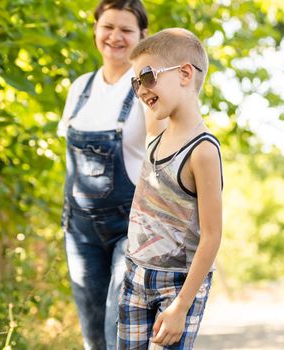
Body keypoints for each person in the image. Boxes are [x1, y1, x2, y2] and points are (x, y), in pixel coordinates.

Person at [118, 28, 223, 349]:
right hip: (135, 274)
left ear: (185, 73)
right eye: (135, 82)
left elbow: (212, 235)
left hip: (177, 285)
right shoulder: (157, 133)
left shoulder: (203, 150)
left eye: (147, 77)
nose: (140, 90)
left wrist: (181, 306)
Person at [58, 1, 148, 349]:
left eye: (126, 30)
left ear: (143, 36)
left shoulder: (144, 87)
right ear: (95, 29)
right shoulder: (80, 87)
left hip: (129, 228)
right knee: (93, 337)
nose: (115, 37)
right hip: (79, 233)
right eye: (108, 27)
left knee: (118, 332)